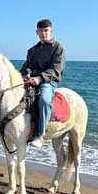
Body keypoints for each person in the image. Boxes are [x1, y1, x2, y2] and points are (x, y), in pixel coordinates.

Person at [20, 18, 65, 148]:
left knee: (44, 100)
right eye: (41, 31)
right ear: (37, 32)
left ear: (51, 31)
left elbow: (56, 69)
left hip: (48, 82)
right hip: (31, 80)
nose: (43, 33)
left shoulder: (57, 47)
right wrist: (24, 75)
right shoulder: (32, 50)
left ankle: (40, 135)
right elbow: (26, 67)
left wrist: (39, 78)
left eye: (46, 30)